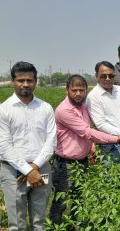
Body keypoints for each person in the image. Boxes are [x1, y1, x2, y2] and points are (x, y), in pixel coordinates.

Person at [49, 74, 120, 224]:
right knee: (61, 201)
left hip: (81, 162)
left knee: (78, 201)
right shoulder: (63, 110)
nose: (78, 94)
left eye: (82, 90)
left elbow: (87, 129)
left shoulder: (83, 106)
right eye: (74, 90)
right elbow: (87, 132)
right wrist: (118, 138)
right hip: (65, 164)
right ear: (67, 89)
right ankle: (55, 226)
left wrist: (90, 145)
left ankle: (75, 226)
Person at [0, 62, 56, 230]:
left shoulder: (45, 108)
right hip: (12, 171)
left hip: (41, 168)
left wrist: (35, 167)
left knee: (39, 220)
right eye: (20, 80)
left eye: (29, 80)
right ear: (12, 82)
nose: (25, 84)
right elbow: (4, 146)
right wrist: (28, 170)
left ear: (36, 81)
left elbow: (51, 140)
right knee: (17, 222)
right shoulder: (4, 110)